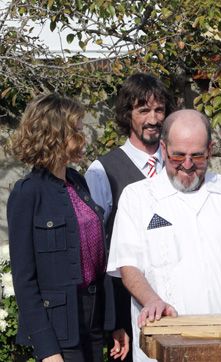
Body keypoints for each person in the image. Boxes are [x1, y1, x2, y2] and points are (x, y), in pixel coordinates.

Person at [106, 109, 221, 362]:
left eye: (197, 156)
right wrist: (152, 299)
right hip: (164, 343)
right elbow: (128, 265)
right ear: (164, 148)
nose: (187, 165)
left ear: (210, 150)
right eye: (178, 155)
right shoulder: (137, 198)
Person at [7, 94, 128, 362]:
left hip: (94, 319)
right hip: (59, 328)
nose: (82, 136)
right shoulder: (28, 194)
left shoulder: (78, 182)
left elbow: (99, 259)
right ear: (54, 134)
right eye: (76, 130)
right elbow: (24, 281)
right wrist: (46, 349)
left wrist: (114, 323)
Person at [85, 73, 174, 360]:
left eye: (159, 110)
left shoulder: (178, 166)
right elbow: (98, 251)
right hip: (128, 306)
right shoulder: (102, 171)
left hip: (178, 300)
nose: (153, 119)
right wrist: (113, 320)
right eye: (143, 110)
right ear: (128, 114)